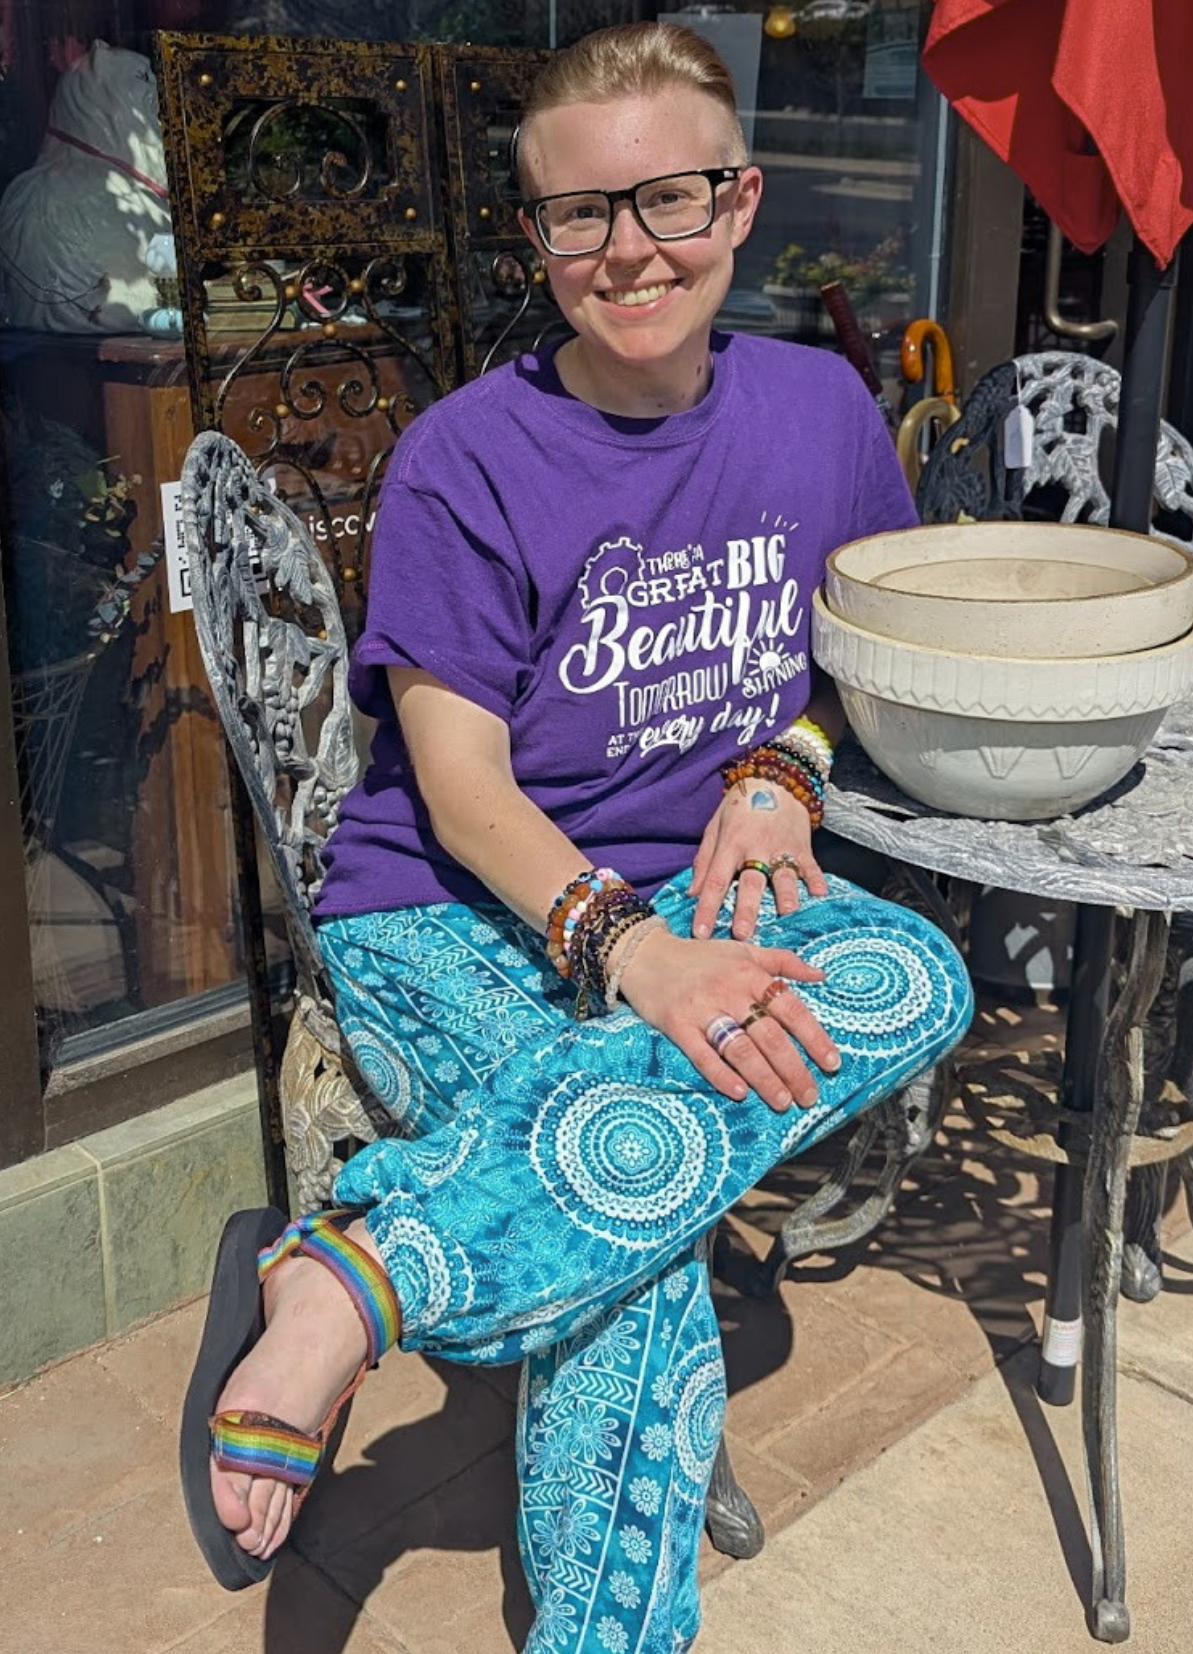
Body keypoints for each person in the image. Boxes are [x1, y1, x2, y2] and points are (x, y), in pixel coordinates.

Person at [180, 22, 972, 1651]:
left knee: (915, 968)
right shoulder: (467, 456)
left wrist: (784, 767)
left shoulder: (820, 410)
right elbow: (459, 788)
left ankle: (352, 1271)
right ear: (532, 235)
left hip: (697, 881)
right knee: (642, 1255)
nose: (630, 251)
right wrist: (643, 957)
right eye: (578, 216)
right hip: (446, 908)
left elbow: (863, 662)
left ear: (741, 202)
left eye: (669, 199)